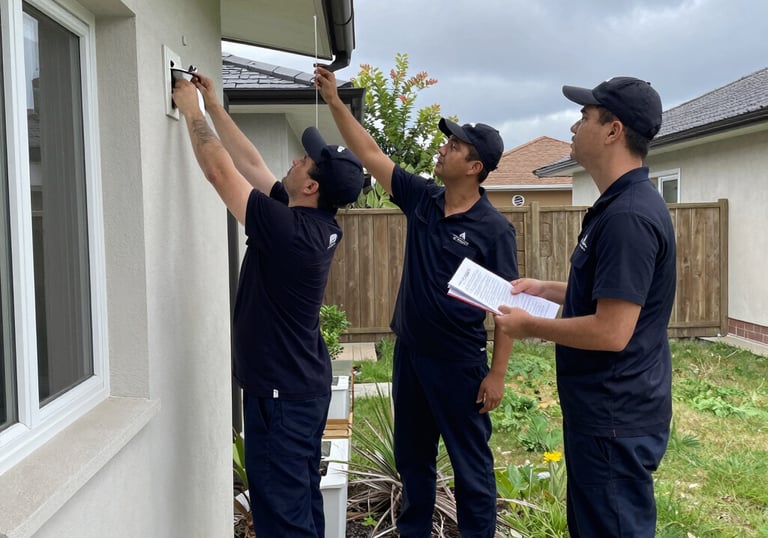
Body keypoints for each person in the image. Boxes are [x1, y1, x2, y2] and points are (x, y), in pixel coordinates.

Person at [315, 65, 518, 538]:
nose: (443, 148)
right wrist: (335, 102)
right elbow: (370, 153)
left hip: (460, 364)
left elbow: (507, 309)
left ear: (475, 167)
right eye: (447, 142)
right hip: (410, 356)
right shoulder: (424, 198)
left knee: (471, 466)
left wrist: (497, 374)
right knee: (413, 460)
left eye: (455, 146)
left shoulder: (494, 230)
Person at [172, 73, 364, 537]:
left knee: (282, 516)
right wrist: (214, 105)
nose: (296, 159)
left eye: (305, 160)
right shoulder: (309, 222)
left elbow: (221, 173)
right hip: (298, 387)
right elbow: (251, 162)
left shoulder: (290, 232)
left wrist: (191, 111)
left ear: (312, 187)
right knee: (299, 501)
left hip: (282, 397)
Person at [494, 76, 676, 537]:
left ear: (613, 130)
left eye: (584, 117)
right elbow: (610, 296)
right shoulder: (619, 205)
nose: (574, 127)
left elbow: (612, 331)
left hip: (615, 417)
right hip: (605, 413)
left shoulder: (628, 217)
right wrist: (546, 289)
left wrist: (530, 327)